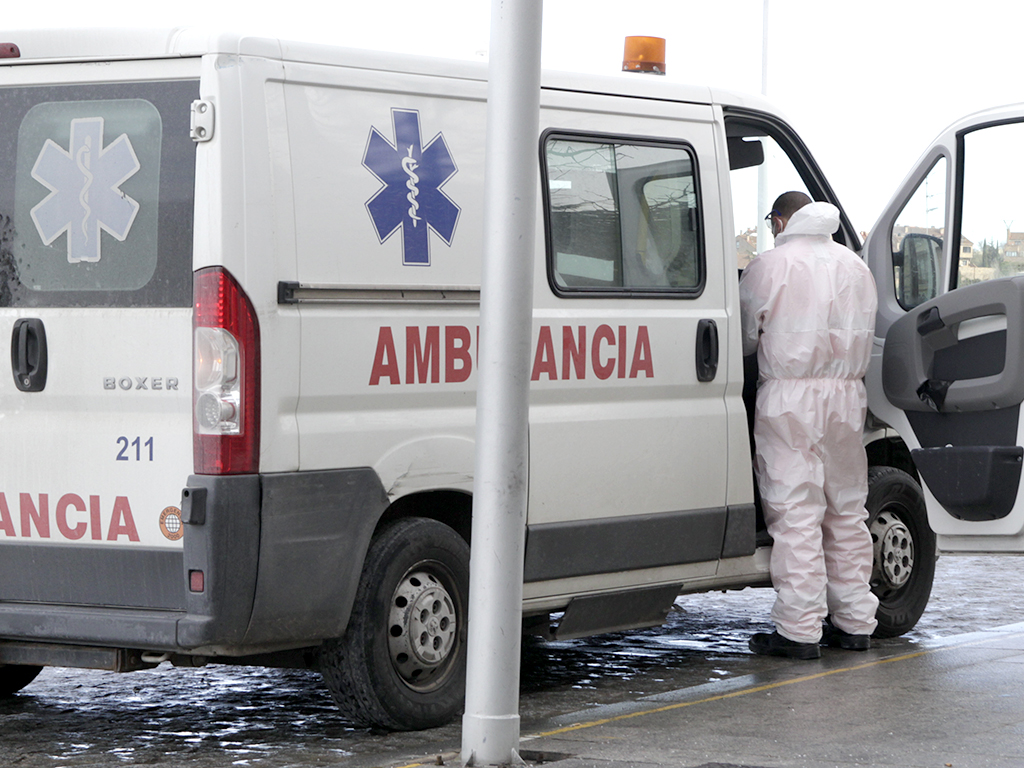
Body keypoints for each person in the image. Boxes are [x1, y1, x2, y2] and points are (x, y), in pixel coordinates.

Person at [739, 191, 879, 660]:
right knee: (845, 509)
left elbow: (741, 334)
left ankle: (799, 632)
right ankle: (856, 623)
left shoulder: (771, 265)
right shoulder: (854, 266)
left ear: (781, 219)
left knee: (796, 510)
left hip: (789, 395)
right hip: (846, 395)